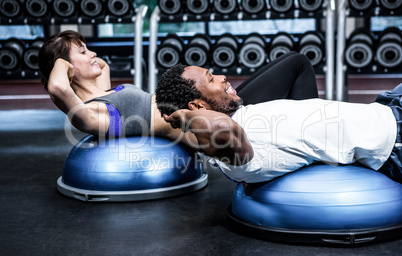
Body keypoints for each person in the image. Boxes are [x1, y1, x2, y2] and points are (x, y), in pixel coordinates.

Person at [38, 30, 318, 148]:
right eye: (83, 52)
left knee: (290, 61)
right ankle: (315, 140)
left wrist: (75, 57)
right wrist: (63, 63)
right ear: (67, 67)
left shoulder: (102, 93)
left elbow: (103, 65)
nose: (93, 54)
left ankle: (301, 133)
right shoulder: (92, 115)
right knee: (298, 64)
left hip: (213, 107)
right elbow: (58, 87)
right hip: (215, 125)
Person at [155, 64, 402, 183]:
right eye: (211, 79)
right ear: (197, 109)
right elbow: (222, 130)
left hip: (385, 107)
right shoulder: (238, 156)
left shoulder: (242, 114)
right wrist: (183, 116)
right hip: (394, 136)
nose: (222, 77)